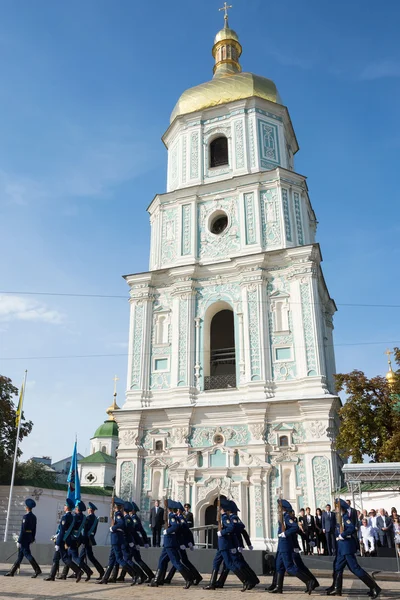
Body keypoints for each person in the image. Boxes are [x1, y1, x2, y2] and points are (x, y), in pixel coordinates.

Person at [325, 499, 381, 598]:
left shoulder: (346, 517)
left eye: (337, 508)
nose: (336, 510)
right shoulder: (340, 517)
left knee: (355, 568)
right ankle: (337, 589)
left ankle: (375, 587)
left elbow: (351, 528)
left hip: (346, 547)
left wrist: (343, 535)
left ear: (341, 508)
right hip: (342, 548)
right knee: (337, 567)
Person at [268, 499, 315, 595]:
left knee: (289, 567)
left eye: (279, 507)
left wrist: (285, 533)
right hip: (281, 545)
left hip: (285, 545)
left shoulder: (286, 517)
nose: (278, 508)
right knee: (279, 566)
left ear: (283, 508)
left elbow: (295, 527)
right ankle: (278, 587)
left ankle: (309, 581)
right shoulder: (282, 516)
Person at [203, 499, 249, 591]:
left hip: (224, 544)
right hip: (221, 545)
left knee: (229, 564)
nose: (217, 509)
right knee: (216, 563)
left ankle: (245, 581)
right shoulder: (222, 517)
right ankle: (212, 583)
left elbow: (231, 527)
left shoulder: (224, 517)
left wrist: (222, 532)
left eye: (218, 508)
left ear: (221, 508)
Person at [150, 499, 194, 588]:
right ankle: (157, 580)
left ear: (169, 509)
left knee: (176, 562)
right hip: (168, 543)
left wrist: (167, 531)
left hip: (170, 542)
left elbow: (175, 526)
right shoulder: (172, 516)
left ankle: (189, 578)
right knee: (162, 561)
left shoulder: (172, 516)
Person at [96, 497, 139, 584]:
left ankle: (134, 574)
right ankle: (105, 578)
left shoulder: (118, 514)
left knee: (119, 559)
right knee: (111, 560)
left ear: (115, 506)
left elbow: (121, 523)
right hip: (116, 539)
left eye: (113, 506)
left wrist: (113, 528)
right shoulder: (118, 514)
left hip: (116, 538)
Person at [44, 498, 83, 582]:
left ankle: (78, 571)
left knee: (65, 558)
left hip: (62, 540)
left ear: (67, 507)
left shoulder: (65, 517)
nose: (64, 506)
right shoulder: (72, 517)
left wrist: (58, 543)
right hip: (66, 539)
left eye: (65, 505)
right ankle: (52, 575)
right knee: (56, 558)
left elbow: (62, 531)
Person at [163, 502, 202, 586]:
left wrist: (187, 543)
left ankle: (195, 577)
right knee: (178, 561)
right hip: (177, 542)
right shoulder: (178, 518)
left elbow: (185, 531)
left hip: (180, 543)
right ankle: (169, 578)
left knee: (180, 561)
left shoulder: (181, 518)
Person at [5, 498, 41, 578]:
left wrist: (19, 541)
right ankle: (12, 571)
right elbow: (34, 529)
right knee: (20, 555)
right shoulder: (34, 517)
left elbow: (23, 529)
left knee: (27, 554)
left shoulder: (26, 516)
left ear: (27, 508)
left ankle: (37, 570)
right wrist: (32, 538)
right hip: (29, 537)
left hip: (24, 538)